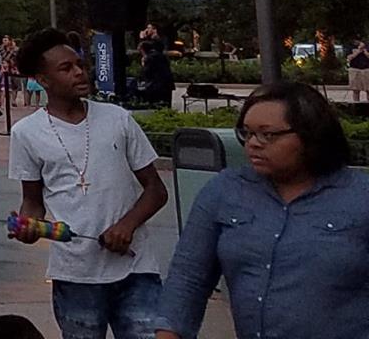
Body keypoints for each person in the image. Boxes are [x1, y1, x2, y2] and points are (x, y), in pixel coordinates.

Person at [153, 81, 369, 338]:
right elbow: (188, 279)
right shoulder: (225, 191)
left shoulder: (359, 196)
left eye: (268, 135)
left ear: (311, 136)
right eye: (247, 133)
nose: (253, 144)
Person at [9, 27, 167, 339]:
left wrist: (127, 225)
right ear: (43, 80)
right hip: (75, 274)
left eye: (80, 65)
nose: (80, 73)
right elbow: (33, 200)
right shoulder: (26, 132)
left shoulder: (117, 118)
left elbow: (156, 190)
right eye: (66, 68)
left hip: (136, 269)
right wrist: (28, 226)